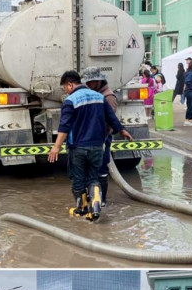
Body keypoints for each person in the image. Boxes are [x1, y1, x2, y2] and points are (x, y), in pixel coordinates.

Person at [47, 70, 132, 221]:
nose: (65, 91)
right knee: (94, 178)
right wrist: (122, 131)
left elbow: (64, 126)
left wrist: (56, 147)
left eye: (65, 87)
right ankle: (96, 207)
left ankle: (82, 210)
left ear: (70, 84)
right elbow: (111, 118)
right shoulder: (100, 97)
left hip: (78, 147)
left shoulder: (70, 100)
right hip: (97, 146)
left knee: (78, 180)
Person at [81, 66, 118, 207]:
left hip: (102, 138)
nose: (88, 86)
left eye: (90, 83)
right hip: (94, 138)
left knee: (101, 170)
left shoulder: (108, 97)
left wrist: (100, 140)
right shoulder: (97, 94)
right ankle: (94, 198)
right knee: (92, 169)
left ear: (98, 81)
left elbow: (109, 121)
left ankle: (102, 201)